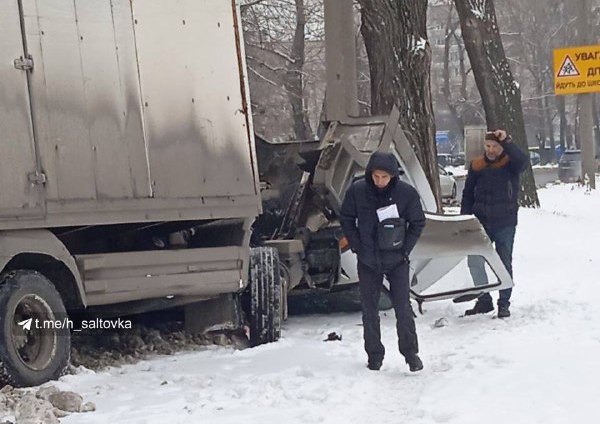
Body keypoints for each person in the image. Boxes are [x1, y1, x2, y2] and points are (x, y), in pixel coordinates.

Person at [340, 151, 426, 371]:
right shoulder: (357, 191)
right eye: (376, 176)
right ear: (370, 174)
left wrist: (405, 249)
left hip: (397, 259)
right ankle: (374, 355)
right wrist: (357, 245)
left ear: (392, 176)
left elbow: (418, 222)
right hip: (368, 259)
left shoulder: (406, 194)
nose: (380, 181)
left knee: (403, 308)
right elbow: (347, 218)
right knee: (369, 310)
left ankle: (410, 354)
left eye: (384, 177)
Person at [461, 129, 528, 318]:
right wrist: (465, 219)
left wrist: (506, 141)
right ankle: (484, 300)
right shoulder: (477, 165)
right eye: (488, 146)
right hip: (480, 222)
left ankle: (504, 302)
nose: (491, 150)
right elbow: (467, 193)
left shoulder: (510, 164)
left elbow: (523, 161)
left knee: (503, 263)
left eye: (495, 147)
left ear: (502, 147)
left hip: (505, 222)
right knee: (475, 261)